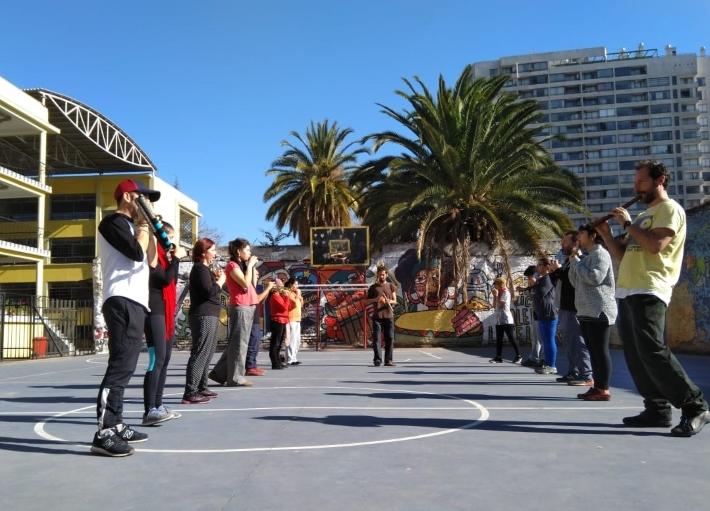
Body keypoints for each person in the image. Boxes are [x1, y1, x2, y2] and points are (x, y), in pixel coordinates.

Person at [597, 160, 709, 436]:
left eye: (642, 182)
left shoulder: (669, 210)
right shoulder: (646, 215)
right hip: (627, 290)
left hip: (650, 288)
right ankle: (657, 409)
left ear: (660, 180)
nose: (637, 187)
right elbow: (623, 254)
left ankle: (695, 406)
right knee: (635, 355)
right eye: (636, 182)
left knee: (653, 350)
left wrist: (628, 223)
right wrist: (607, 235)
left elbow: (655, 245)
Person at [92, 179, 158, 457]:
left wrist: (152, 233)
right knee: (120, 365)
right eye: (145, 198)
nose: (149, 204)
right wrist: (143, 228)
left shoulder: (135, 228)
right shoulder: (112, 223)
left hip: (136, 302)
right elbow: (134, 252)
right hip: (120, 299)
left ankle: (117, 423)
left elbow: (151, 262)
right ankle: (104, 432)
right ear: (130, 197)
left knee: (128, 365)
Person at [210, 238, 274, 386]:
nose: (250, 253)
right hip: (241, 307)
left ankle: (219, 374)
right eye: (247, 250)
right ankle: (235, 377)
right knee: (240, 344)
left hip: (249, 306)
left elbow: (251, 284)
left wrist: (250, 267)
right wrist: (250, 264)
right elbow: (244, 284)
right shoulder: (232, 266)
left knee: (237, 343)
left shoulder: (242, 266)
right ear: (238, 251)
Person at [142, 221, 185, 424]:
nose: (173, 243)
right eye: (171, 237)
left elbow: (172, 279)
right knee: (156, 360)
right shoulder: (152, 255)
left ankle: (158, 405)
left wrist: (173, 259)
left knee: (165, 359)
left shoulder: (166, 259)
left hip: (165, 312)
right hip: (154, 311)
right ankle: (149, 409)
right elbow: (164, 280)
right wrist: (175, 258)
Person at [568, 224, 617, 401]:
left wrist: (577, 263)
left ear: (592, 235)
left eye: (581, 233)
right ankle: (597, 386)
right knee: (593, 351)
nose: (578, 237)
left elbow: (594, 278)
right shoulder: (587, 256)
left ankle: (603, 389)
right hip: (586, 310)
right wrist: (574, 262)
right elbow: (575, 281)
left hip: (599, 310)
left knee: (600, 351)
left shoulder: (601, 255)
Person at [182, 238, 225, 403]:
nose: (215, 253)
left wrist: (216, 279)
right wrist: (220, 282)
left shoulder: (205, 270)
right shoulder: (199, 269)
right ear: (203, 252)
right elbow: (209, 291)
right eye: (212, 250)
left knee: (208, 352)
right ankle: (190, 391)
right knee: (200, 352)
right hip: (203, 315)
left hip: (210, 314)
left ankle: (201, 386)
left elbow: (209, 288)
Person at [549, 232, 593, 386]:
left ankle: (586, 374)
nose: (562, 245)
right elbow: (561, 281)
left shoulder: (581, 258)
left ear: (576, 243)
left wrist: (558, 271)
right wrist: (555, 272)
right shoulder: (567, 260)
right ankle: (573, 371)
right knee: (568, 342)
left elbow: (574, 280)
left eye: (565, 242)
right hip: (565, 306)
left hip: (575, 307)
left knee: (578, 342)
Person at [366, 265, 398, 367]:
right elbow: (366, 301)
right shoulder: (373, 288)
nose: (381, 276)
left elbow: (395, 301)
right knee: (376, 339)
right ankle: (377, 360)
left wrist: (388, 301)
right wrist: (376, 300)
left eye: (383, 274)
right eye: (380, 275)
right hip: (377, 317)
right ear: (377, 275)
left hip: (389, 316)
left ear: (386, 275)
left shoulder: (391, 286)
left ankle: (388, 360)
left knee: (389, 338)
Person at [532, 257, 559, 375]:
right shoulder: (541, 279)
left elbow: (542, 292)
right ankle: (547, 363)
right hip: (542, 313)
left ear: (547, 267)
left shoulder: (547, 278)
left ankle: (551, 365)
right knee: (545, 339)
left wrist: (535, 284)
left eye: (540, 265)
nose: (538, 267)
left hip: (549, 312)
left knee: (549, 339)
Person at [245, 268, 271, 377]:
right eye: (256, 273)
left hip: (254, 317)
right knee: (252, 342)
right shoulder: (249, 287)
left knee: (255, 342)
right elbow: (257, 299)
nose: (258, 275)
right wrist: (268, 288)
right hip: (250, 317)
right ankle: (250, 366)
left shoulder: (253, 287)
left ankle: (253, 365)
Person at [489, 277, 521, 364]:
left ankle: (518, 356)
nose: (494, 286)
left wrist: (496, 295)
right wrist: (495, 297)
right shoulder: (499, 293)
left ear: (500, 284)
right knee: (499, 339)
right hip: (499, 319)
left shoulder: (505, 293)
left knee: (511, 338)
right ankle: (498, 357)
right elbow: (494, 305)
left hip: (506, 319)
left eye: (495, 284)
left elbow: (501, 306)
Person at [519, 265, 543, 368]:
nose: (528, 280)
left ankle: (542, 359)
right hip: (536, 313)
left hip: (542, 315)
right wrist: (527, 289)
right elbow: (531, 298)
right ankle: (534, 357)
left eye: (529, 278)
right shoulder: (533, 286)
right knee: (535, 338)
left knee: (542, 338)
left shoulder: (542, 284)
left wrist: (529, 289)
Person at [268, 279, 294, 369]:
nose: (283, 286)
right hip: (277, 320)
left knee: (279, 343)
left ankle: (278, 361)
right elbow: (283, 307)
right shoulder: (275, 296)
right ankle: (275, 363)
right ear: (276, 286)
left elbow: (290, 307)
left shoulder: (280, 296)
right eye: (281, 285)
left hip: (282, 320)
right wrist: (286, 297)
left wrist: (288, 297)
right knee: (275, 343)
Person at [285, 277, 304, 365]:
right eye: (295, 284)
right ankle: (289, 359)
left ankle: (294, 357)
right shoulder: (288, 293)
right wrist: (298, 295)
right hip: (291, 319)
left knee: (297, 340)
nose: (297, 286)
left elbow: (301, 305)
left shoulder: (296, 293)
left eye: (297, 284)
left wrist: (299, 295)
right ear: (290, 285)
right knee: (291, 339)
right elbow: (294, 305)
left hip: (297, 319)